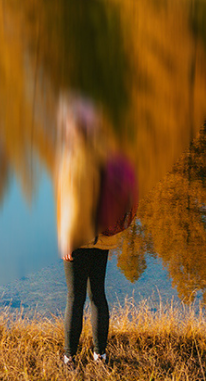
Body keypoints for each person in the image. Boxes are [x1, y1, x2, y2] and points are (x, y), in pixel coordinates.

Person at [55, 95, 120, 370]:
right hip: (103, 236)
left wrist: (66, 238)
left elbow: (72, 201)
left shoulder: (72, 157)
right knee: (98, 296)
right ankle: (99, 355)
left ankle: (69, 356)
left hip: (79, 238)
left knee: (75, 297)